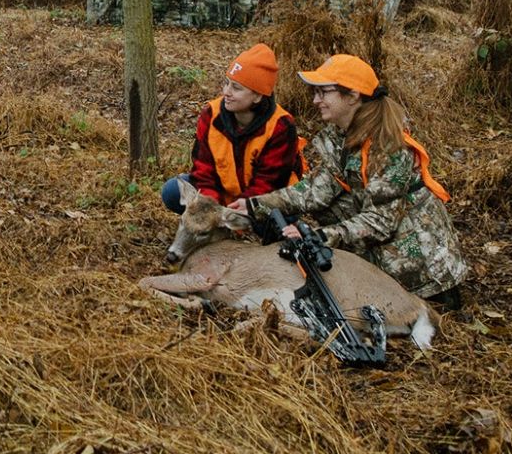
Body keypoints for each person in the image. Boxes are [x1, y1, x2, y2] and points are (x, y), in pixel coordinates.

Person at [231, 53, 469, 306]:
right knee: (327, 204)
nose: (315, 100)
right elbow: (316, 190)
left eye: (324, 92)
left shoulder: (389, 148)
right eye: (315, 92)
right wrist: (256, 205)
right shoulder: (341, 136)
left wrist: (320, 238)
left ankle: (410, 289)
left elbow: (380, 222)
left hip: (423, 266)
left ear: (353, 96)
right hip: (385, 231)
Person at [161, 43, 302, 214]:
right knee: (172, 191)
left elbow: (270, 182)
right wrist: (212, 205)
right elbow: (203, 169)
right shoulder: (211, 114)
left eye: (236, 88)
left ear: (258, 96)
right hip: (223, 196)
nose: (226, 92)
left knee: (275, 222)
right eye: (227, 83)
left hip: (264, 199)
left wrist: (242, 210)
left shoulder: (281, 126)